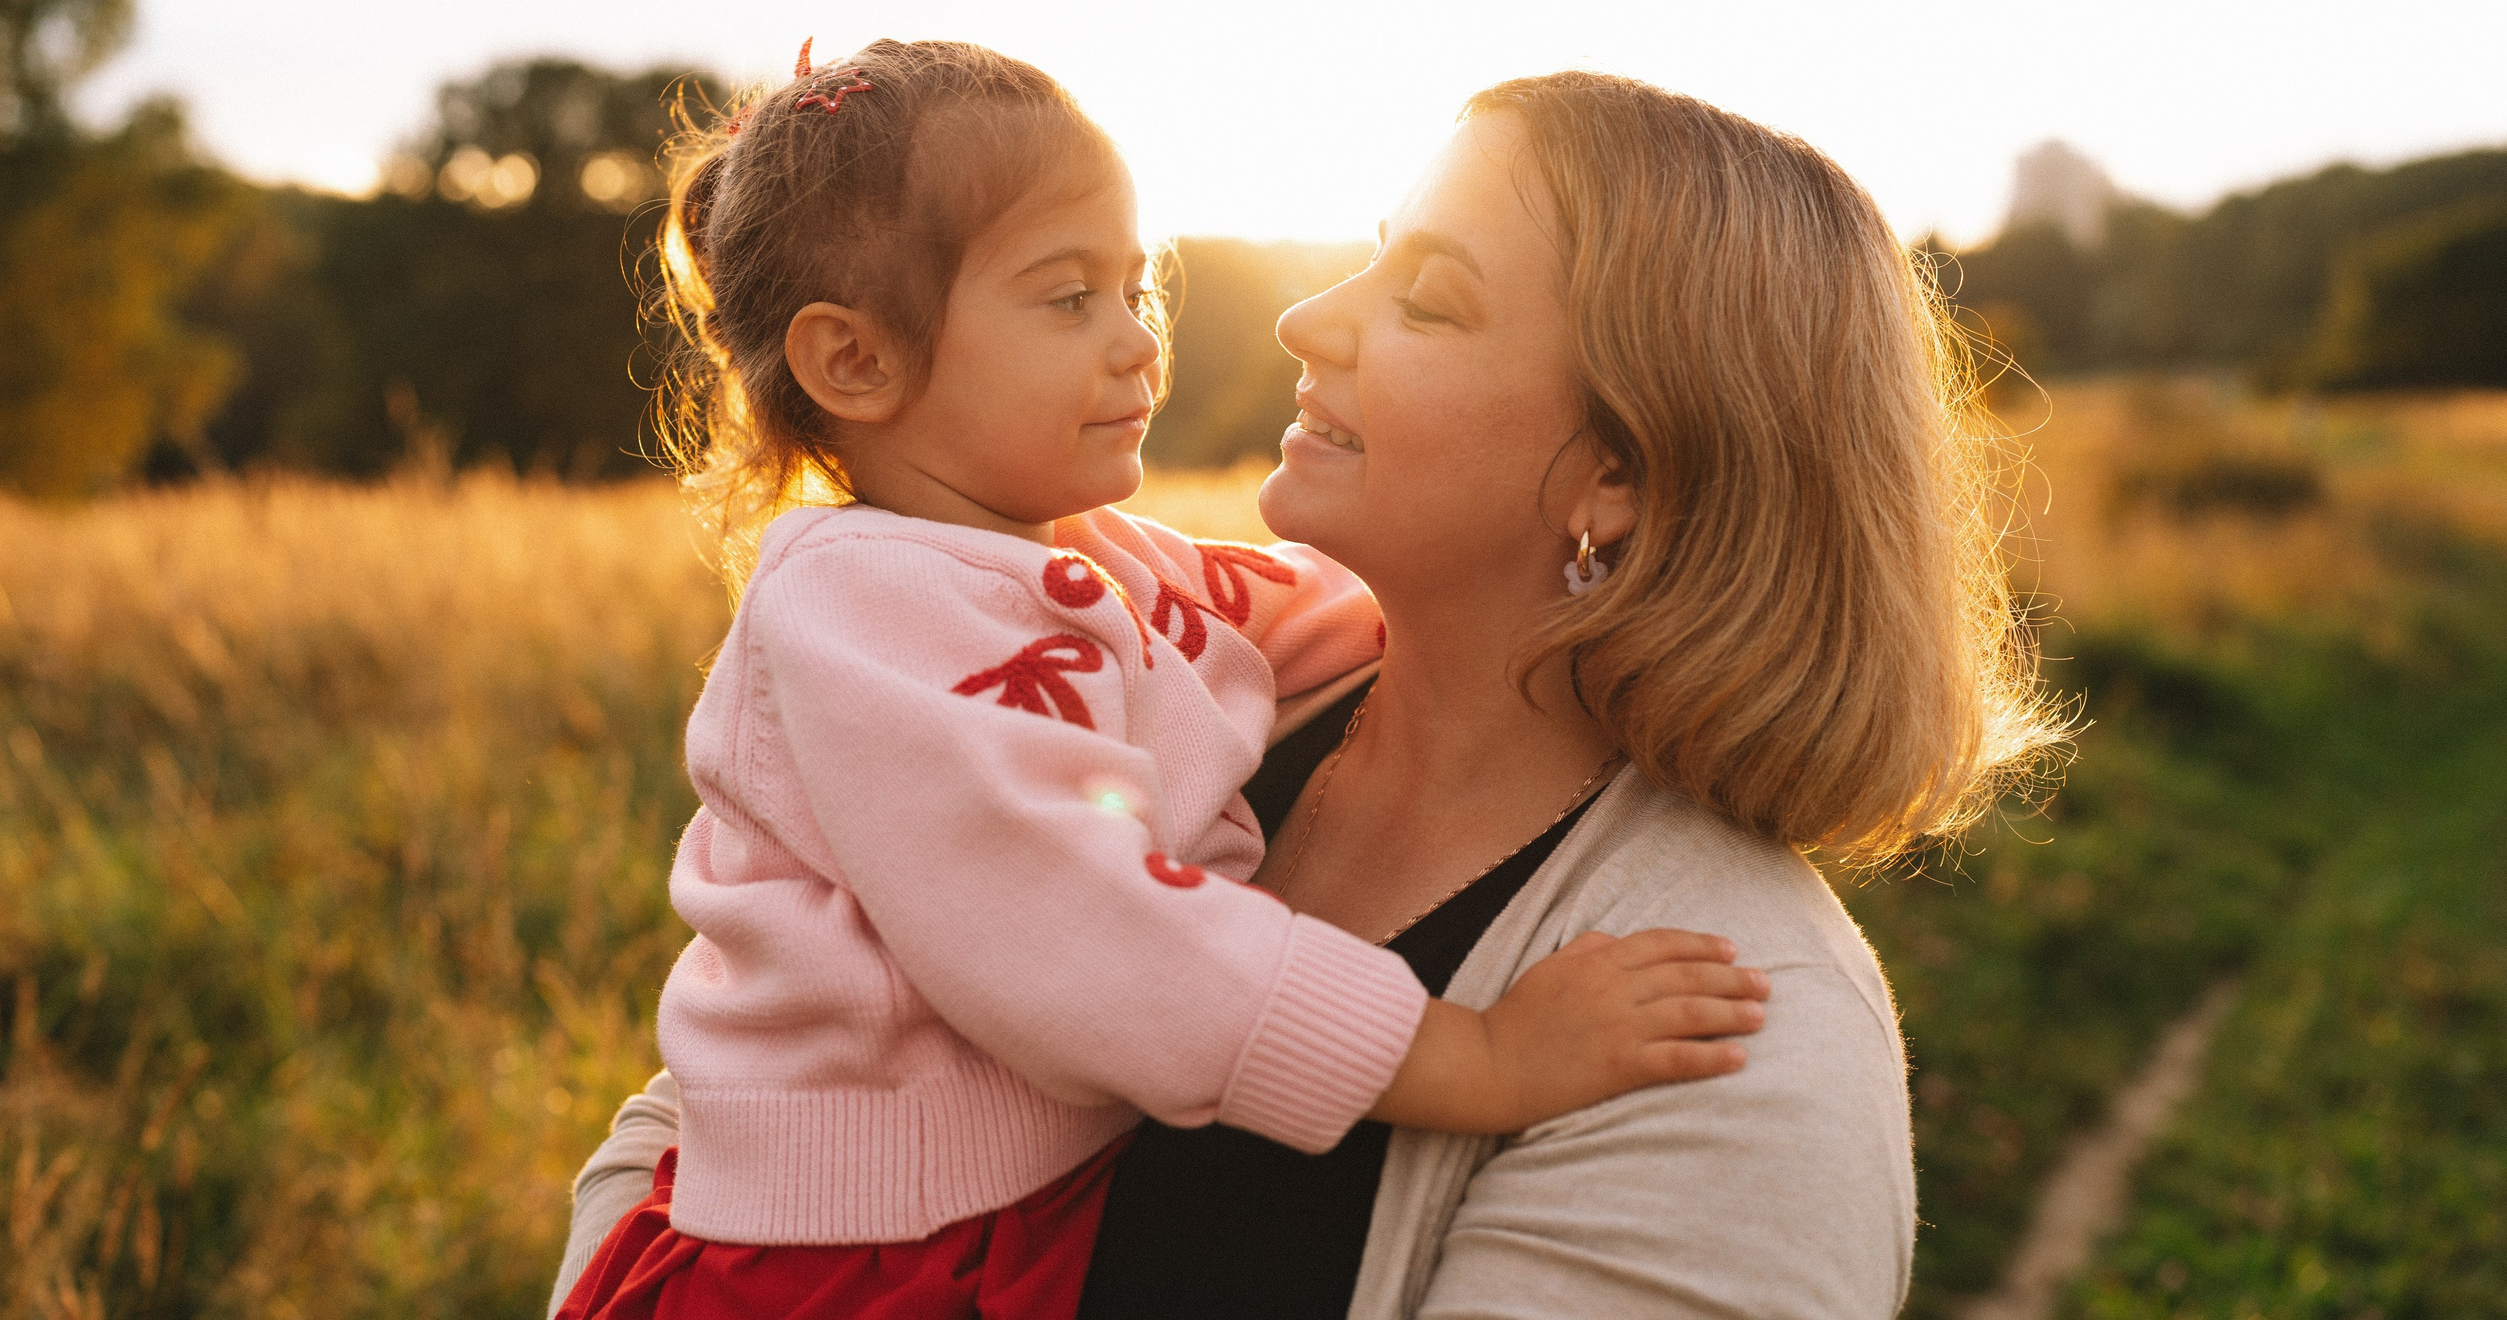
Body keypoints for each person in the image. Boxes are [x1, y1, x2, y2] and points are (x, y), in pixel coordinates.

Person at [557, 68, 2059, 1318]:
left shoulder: (1736, 1033)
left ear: (1624, 470)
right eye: (1370, 252)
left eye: (1433, 299)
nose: (1305, 320)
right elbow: (725, 1082)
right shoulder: (1206, 701)